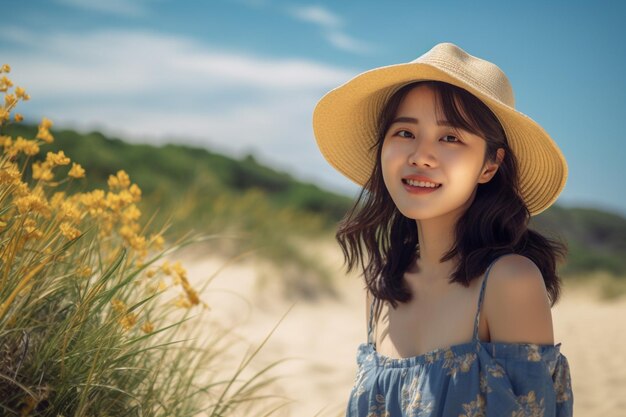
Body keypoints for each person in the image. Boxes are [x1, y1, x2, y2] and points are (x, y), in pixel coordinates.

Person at [312, 42, 574, 416]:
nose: (420, 155)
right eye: (404, 133)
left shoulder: (508, 283)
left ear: (489, 166)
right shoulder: (382, 285)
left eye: (451, 138)